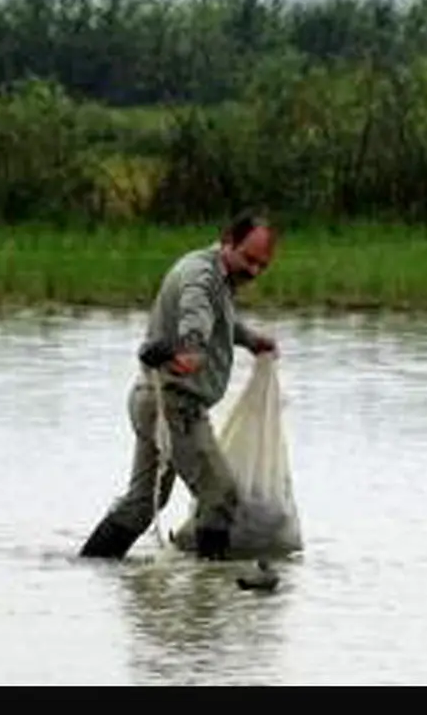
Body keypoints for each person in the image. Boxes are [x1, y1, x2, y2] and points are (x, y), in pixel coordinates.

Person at [78, 211, 279, 561]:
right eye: (249, 260)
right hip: (173, 406)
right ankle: (209, 594)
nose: (254, 271)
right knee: (220, 495)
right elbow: (196, 325)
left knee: (141, 506)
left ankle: (90, 567)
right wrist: (188, 355)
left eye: (263, 265)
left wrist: (250, 339)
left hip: (152, 400)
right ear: (228, 241)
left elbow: (221, 321)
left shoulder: (216, 272)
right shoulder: (200, 281)